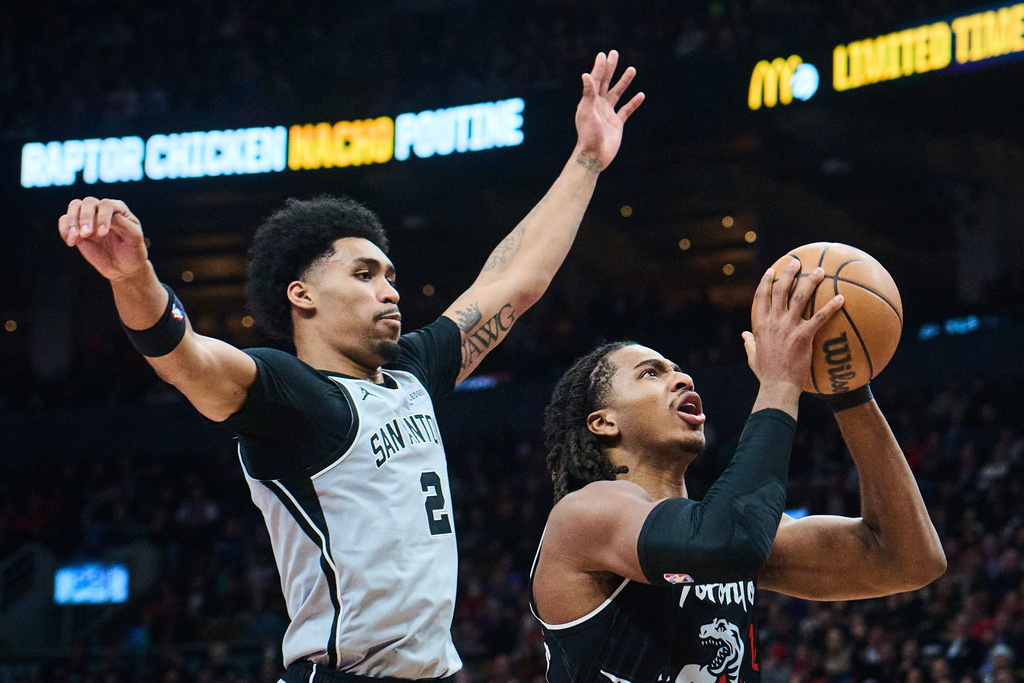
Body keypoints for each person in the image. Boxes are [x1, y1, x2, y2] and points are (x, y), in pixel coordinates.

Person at [57, 51, 644, 683]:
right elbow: (182, 355)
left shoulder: (415, 369)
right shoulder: (291, 396)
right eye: (363, 275)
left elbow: (517, 278)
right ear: (302, 295)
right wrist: (135, 275)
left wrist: (586, 158)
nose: (390, 290)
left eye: (390, 276)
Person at [530, 259, 947, 683]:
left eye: (678, 369)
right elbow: (727, 543)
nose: (682, 379)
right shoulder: (583, 516)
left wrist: (847, 389)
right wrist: (780, 383)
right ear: (604, 422)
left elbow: (908, 560)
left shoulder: (717, 530)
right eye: (651, 374)